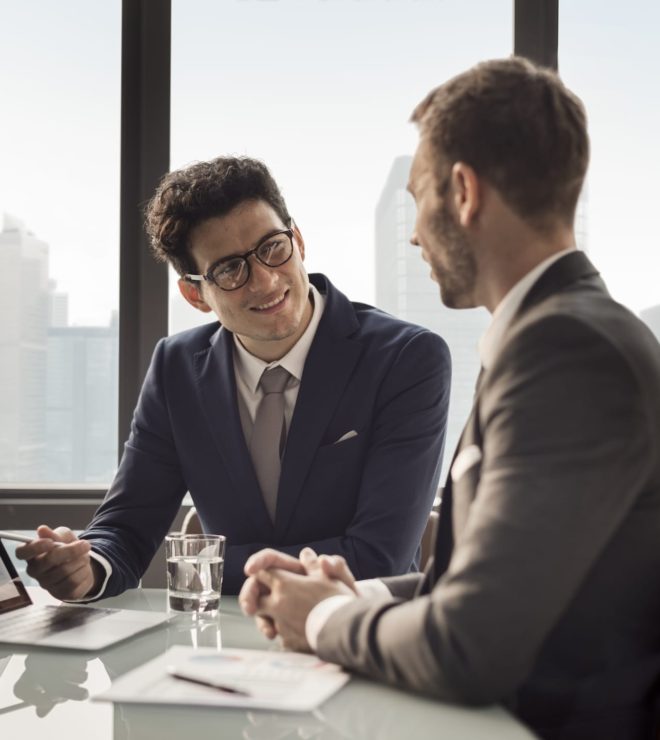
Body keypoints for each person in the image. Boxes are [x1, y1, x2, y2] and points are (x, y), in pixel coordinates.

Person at [240, 58, 660, 740]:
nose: (412, 233)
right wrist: (355, 595)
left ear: (463, 192)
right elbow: (490, 581)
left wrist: (319, 620)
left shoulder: (565, 349)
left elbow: (471, 644)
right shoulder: (558, 332)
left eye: (418, 199)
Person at [16, 156, 451, 598]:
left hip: (357, 633)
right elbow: (127, 526)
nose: (264, 281)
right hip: (218, 646)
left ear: (298, 241)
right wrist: (87, 567)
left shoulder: (406, 359)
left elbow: (380, 557)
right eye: (228, 269)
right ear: (194, 294)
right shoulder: (176, 368)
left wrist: (200, 568)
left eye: (273, 247)